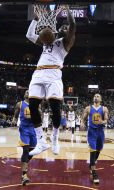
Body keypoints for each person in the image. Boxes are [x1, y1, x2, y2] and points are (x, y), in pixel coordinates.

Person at [26, 5, 76, 155]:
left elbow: (73, 25)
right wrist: (35, 19)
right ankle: (41, 142)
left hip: (54, 73)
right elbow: (29, 35)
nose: (65, 28)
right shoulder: (46, 41)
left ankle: (54, 139)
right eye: (63, 26)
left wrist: (67, 10)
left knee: (55, 108)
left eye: (67, 28)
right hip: (39, 72)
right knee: (33, 105)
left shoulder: (67, 43)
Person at [81, 94, 109, 184]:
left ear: (100, 99)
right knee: (92, 150)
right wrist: (82, 123)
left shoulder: (104, 109)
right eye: (95, 96)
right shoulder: (88, 108)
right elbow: (83, 118)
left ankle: (91, 164)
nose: (96, 97)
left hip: (100, 132)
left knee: (98, 149)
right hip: (91, 132)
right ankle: (94, 172)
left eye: (98, 96)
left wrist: (103, 121)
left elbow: (106, 120)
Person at [12, 90, 36, 186]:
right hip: (24, 129)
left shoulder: (36, 105)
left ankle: (24, 162)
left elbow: (40, 116)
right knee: (25, 150)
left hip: (33, 129)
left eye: (30, 92)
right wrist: (14, 120)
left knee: (33, 150)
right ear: (24, 95)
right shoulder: (20, 104)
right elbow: (16, 114)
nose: (28, 93)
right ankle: (24, 175)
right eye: (26, 92)